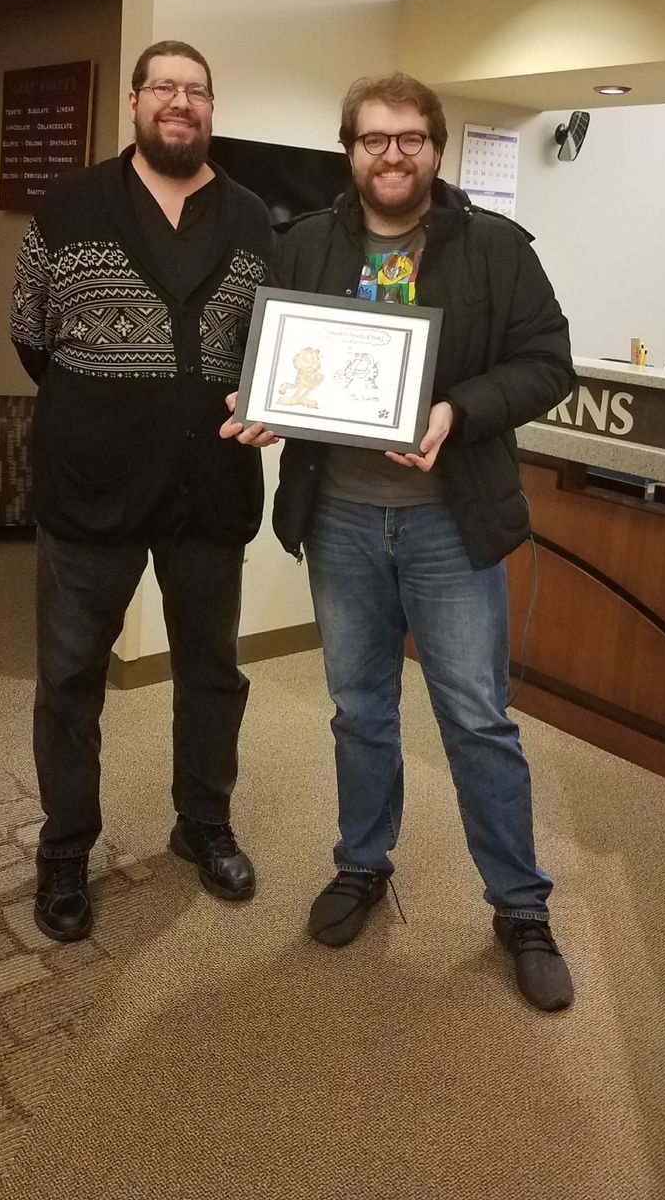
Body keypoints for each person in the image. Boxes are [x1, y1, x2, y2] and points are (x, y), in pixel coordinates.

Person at [223, 72, 577, 1011]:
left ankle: (520, 907)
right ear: (350, 149)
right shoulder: (304, 244)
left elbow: (549, 364)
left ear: (436, 147)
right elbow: (276, 359)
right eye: (374, 138)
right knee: (359, 707)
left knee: (477, 718)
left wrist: (459, 410)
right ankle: (362, 864)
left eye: (411, 138)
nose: (392, 154)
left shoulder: (496, 249)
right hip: (338, 515)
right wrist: (263, 404)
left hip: (447, 522)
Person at [12, 40, 273, 941]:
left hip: (209, 486)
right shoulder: (70, 204)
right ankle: (64, 852)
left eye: (197, 90)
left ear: (211, 107)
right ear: (134, 102)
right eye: (164, 86)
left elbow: (270, 350)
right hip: (91, 487)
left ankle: (203, 823)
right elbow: (30, 335)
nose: (181, 102)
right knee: (70, 680)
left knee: (212, 671)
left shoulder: (251, 219)